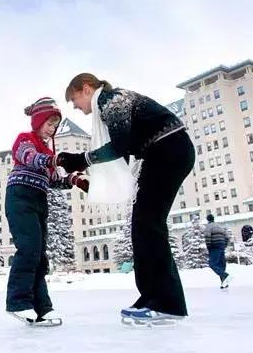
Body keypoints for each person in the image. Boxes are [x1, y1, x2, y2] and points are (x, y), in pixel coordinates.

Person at [57, 73, 195, 325]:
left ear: (86, 89)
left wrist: (80, 159)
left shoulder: (112, 100)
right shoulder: (111, 103)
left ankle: (166, 303)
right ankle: (153, 296)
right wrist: (89, 179)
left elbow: (119, 148)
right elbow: (122, 159)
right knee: (143, 226)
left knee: (149, 225)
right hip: (162, 153)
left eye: (74, 99)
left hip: (168, 150)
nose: (76, 107)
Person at [5, 97, 89, 325]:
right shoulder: (26, 140)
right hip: (20, 197)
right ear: (38, 120)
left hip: (39, 200)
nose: (52, 130)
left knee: (40, 257)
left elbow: (54, 179)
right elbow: (29, 158)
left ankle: (42, 308)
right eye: (49, 124)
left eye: (55, 126)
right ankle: (18, 301)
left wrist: (74, 179)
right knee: (29, 249)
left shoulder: (46, 149)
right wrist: (54, 159)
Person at [204, 214, 233, 289]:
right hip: (221, 246)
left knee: (212, 264)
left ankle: (225, 275)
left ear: (208, 220)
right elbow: (227, 237)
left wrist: (209, 247)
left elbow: (207, 237)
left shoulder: (208, 227)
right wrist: (224, 245)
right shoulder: (220, 226)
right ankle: (224, 283)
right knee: (221, 264)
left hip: (214, 246)